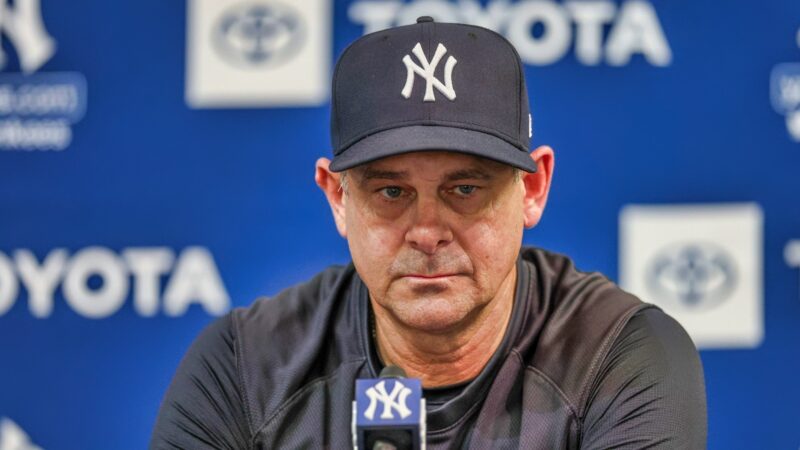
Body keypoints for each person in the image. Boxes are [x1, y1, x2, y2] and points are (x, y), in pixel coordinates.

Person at [150, 17, 706, 449]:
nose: (427, 231)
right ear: (338, 198)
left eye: (464, 189)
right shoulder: (246, 368)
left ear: (533, 189)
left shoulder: (614, 356)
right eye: (392, 192)